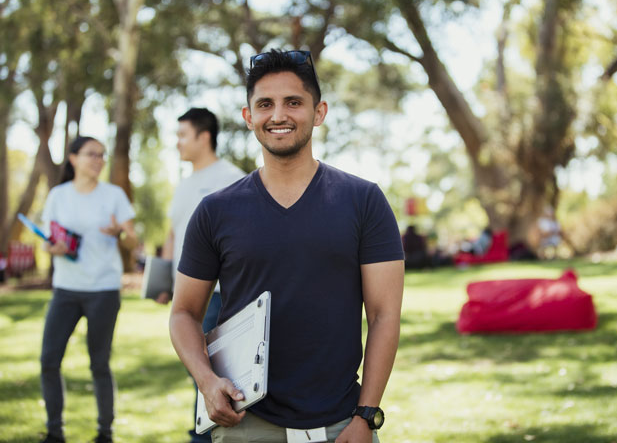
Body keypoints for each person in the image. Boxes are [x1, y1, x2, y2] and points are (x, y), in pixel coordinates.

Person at [169, 49, 405, 443]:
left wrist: (366, 415)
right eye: (265, 104)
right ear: (248, 117)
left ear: (319, 112)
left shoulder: (364, 201)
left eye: (293, 102)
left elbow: (384, 315)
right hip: (246, 424)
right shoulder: (215, 211)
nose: (278, 115)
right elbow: (184, 313)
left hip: (343, 425)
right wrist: (207, 382)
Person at [155, 107, 244, 443]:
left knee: (212, 374)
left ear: (203, 136)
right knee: (198, 371)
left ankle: (203, 435)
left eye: (182, 135)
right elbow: (173, 234)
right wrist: (165, 281)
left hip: (219, 295)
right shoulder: (184, 184)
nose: (177, 143)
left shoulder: (231, 178)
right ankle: (202, 432)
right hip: (187, 296)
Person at [39, 136, 137, 443]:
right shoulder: (58, 195)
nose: (98, 160)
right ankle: (55, 432)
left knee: (99, 363)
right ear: (73, 158)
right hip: (65, 290)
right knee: (49, 360)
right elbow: (47, 239)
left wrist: (119, 232)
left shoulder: (114, 195)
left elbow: (133, 241)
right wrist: (51, 249)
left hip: (103, 290)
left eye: (102, 155)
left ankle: (104, 434)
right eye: (91, 154)